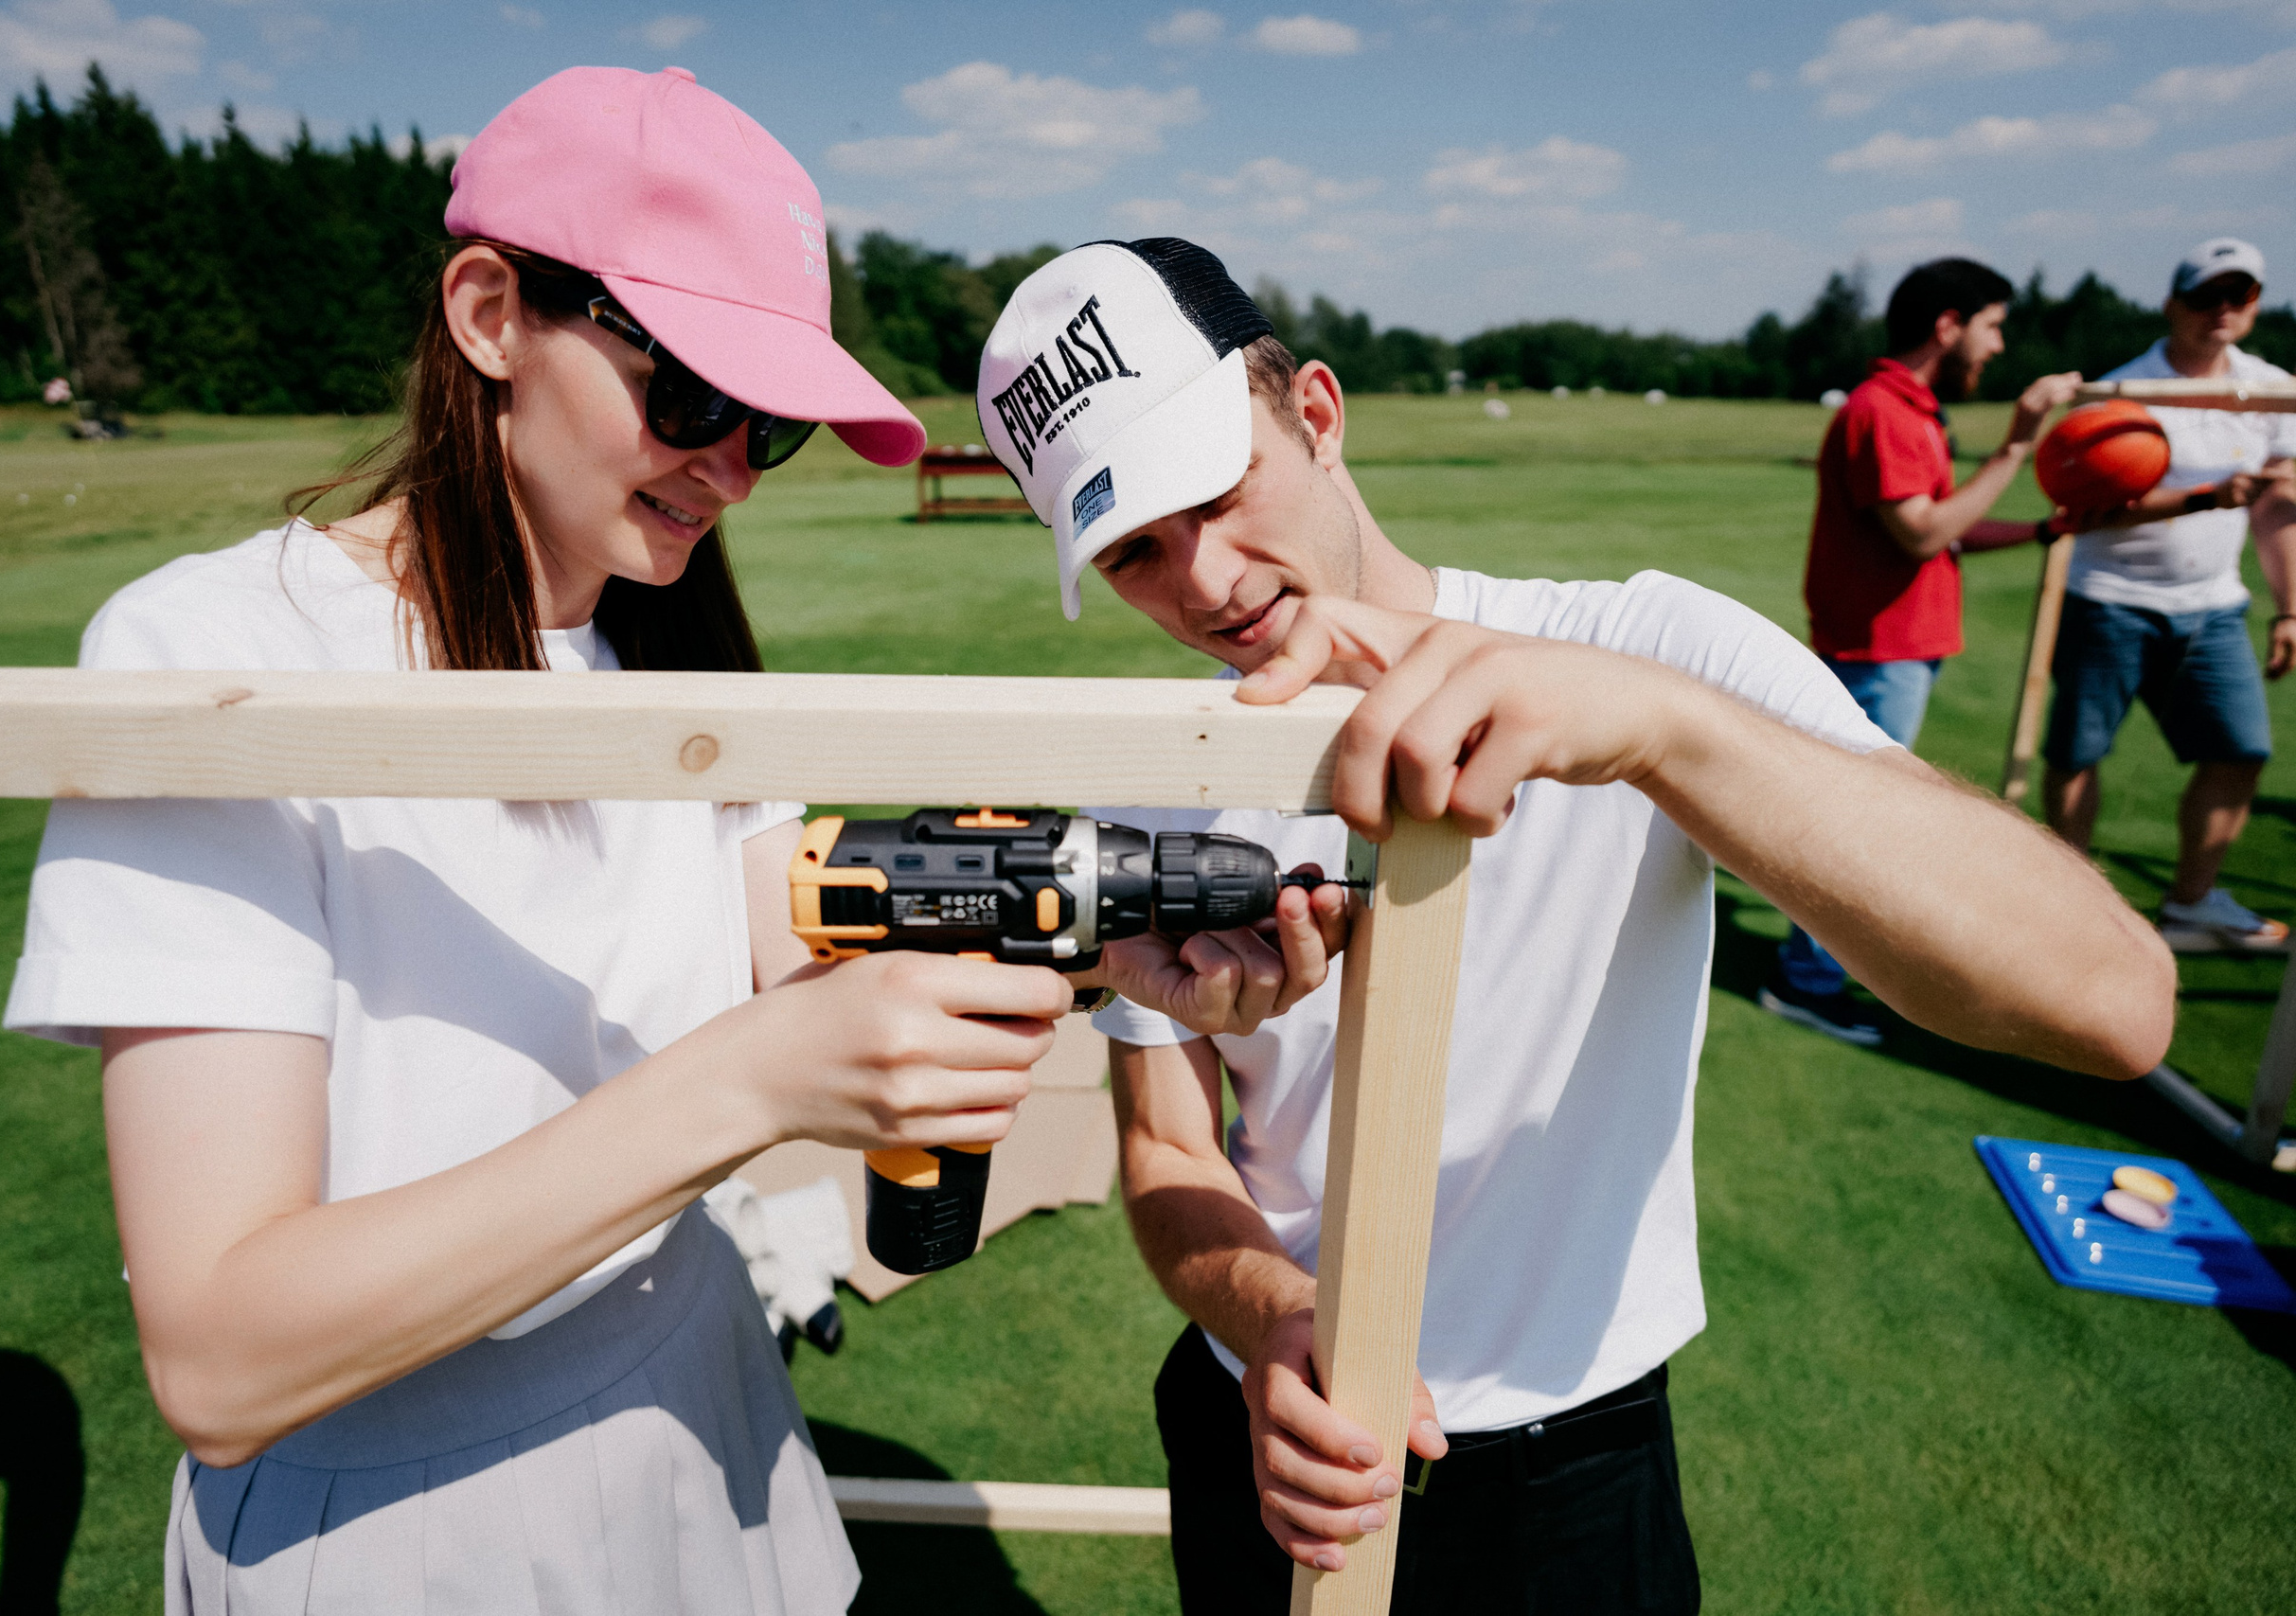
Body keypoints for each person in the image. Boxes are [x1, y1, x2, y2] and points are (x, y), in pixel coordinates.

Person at [0, 66, 1096, 1614]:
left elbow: (787, 923)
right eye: (696, 396)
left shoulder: (657, 646)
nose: (727, 466)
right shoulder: (209, 648)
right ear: (489, 313)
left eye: (770, 427)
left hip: (710, 1421)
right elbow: (223, 1348)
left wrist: (1112, 923)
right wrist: (750, 1079)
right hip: (394, 1525)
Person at [973, 238, 2176, 1614]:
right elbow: (1168, 1144)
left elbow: (2111, 1001)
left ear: (1315, 411)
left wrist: (1662, 730)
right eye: (1133, 547)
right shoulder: (1152, 768)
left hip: (1572, 1459)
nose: (1203, 580)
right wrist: (1267, 1312)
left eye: (1216, 488)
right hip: (1270, 1425)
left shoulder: (1640, 648)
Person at [1765, 257, 2083, 1043]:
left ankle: (1808, 968)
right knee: (1856, 826)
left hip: (1898, 648)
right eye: (1993, 325)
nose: (1998, 346)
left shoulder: (1913, 409)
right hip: (1879, 652)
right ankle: (1805, 980)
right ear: (1949, 324)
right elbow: (1923, 532)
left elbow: (1949, 529)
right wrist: (2017, 446)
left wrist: (2042, 530)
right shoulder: (1885, 411)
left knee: (1853, 815)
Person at [2041, 238, 2296, 952]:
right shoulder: (2127, 390)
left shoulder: (2273, 391)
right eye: (2207, 294)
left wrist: (2290, 607)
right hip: (2109, 599)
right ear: (2173, 305)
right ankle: (2068, 914)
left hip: (2214, 607)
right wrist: (2206, 496)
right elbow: (2084, 509)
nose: (2223, 309)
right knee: (2077, 755)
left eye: (2239, 295)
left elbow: (2279, 510)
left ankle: (2191, 903)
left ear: (2254, 305)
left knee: (2241, 751)